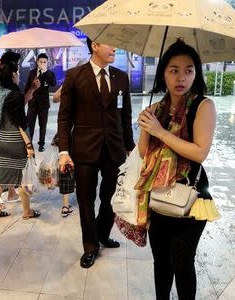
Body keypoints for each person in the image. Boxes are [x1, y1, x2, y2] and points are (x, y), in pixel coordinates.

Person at [136, 39, 220, 299]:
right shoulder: (157, 109)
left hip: (192, 195)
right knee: (161, 262)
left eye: (189, 69)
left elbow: (199, 152)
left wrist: (160, 132)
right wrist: (145, 128)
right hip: (159, 194)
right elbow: (143, 154)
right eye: (174, 70)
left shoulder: (203, 106)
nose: (181, 77)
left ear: (197, 73)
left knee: (182, 264)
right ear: (163, 73)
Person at [58, 38, 135, 268]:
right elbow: (64, 118)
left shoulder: (121, 77)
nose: (115, 47)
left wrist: (130, 148)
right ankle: (90, 246)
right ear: (95, 45)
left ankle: (102, 234)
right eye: (110, 43)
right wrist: (64, 151)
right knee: (85, 199)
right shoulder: (75, 76)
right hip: (83, 149)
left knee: (111, 198)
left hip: (115, 149)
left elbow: (125, 117)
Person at [0, 51, 41, 220]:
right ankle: (27, 212)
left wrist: (31, 88)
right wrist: (28, 145)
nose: (18, 75)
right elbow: (21, 123)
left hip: (3, 140)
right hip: (16, 142)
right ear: (12, 75)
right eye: (17, 72)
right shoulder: (15, 95)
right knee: (21, 176)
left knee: (3, 176)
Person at [25, 53, 57, 152]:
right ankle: (29, 144)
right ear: (37, 62)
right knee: (30, 124)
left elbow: (53, 83)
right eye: (40, 62)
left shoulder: (50, 73)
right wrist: (26, 99)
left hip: (43, 104)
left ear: (47, 63)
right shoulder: (32, 73)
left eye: (44, 62)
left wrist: (45, 71)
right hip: (32, 103)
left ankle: (41, 144)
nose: (42, 63)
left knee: (43, 125)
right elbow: (27, 87)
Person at [51, 86, 73, 217]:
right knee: (67, 165)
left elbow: (55, 98)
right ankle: (65, 204)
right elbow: (54, 98)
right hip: (69, 133)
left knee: (68, 166)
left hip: (69, 133)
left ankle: (66, 204)